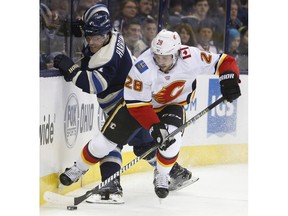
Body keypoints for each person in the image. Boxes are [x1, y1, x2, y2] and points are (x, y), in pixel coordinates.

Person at [54, 28, 241, 200]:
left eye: (165, 57)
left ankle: (162, 175)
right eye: (157, 56)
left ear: (176, 53)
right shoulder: (143, 66)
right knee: (104, 142)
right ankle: (78, 168)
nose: (160, 62)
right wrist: (154, 126)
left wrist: (228, 78)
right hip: (140, 105)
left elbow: (225, 61)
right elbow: (137, 104)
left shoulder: (191, 56)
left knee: (172, 140)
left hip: (172, 105)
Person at [53, 4, 196, 203]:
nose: (93, 42)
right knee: (142, 145)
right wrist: (79, 28)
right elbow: (97, 16)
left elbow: (94, 84)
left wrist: (71, 69)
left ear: (105, 35)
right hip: (137, 100)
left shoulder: (108, 55)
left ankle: (111, 187)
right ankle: (176, 171)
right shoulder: (113, 35)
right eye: (89, 36)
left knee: (112, 141)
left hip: (127, 103)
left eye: (97, 37)